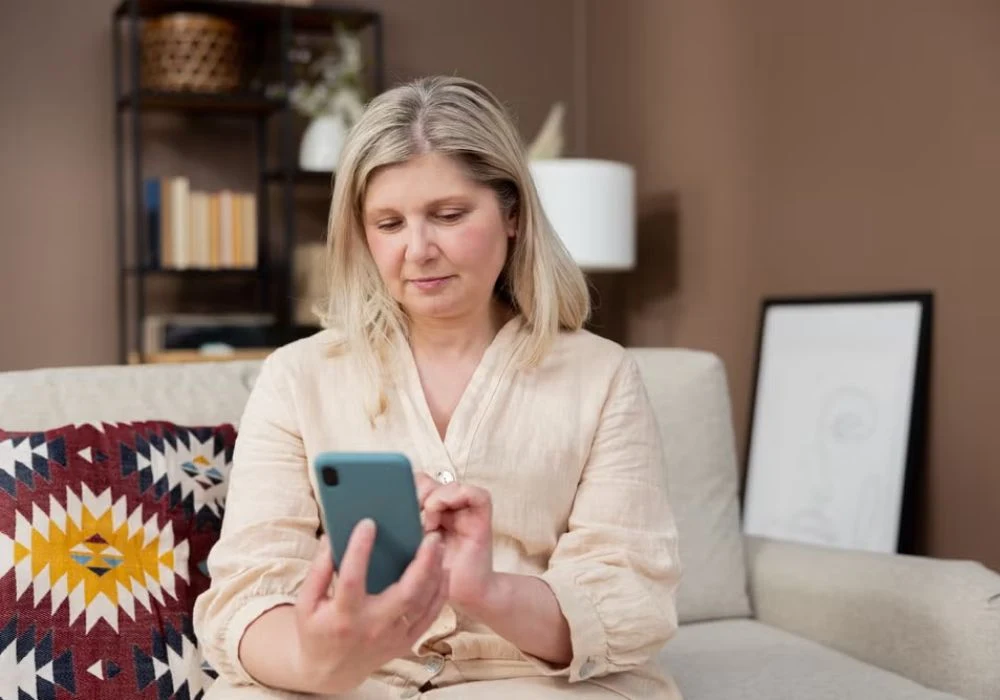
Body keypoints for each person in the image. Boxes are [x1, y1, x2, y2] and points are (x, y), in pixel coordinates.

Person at [192, 75, 682, 699]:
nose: (417, 250)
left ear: (512, 214)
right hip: (344, 678)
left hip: (533, 678)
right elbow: (246, 592)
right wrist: (320, 661)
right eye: (388, 223)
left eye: (448, 216)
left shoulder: (602, 375)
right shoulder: (297, 376)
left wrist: (486, 590)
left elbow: (632, 599)